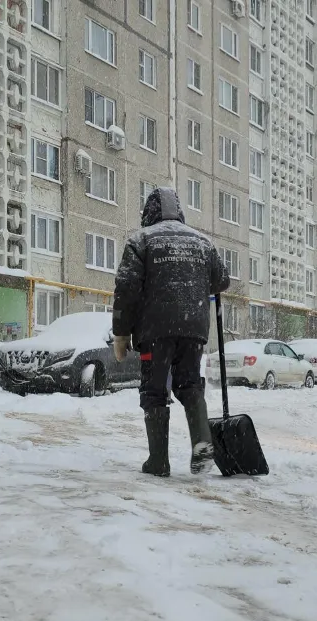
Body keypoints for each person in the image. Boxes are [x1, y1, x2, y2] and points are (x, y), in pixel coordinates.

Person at [111, 187, 230, 477]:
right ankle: (202, 441)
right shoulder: (203, 242)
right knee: (189, 385)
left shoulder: (141, 241)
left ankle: (158, 461)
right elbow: (222, 281)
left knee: (154, 391)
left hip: (155, 331)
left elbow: (126, 288)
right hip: (194, 330)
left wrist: (121, 333)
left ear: (148, 213)